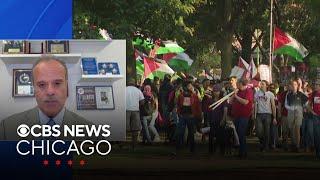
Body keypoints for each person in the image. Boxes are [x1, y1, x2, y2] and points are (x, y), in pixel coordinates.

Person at [0, 56, 91, 140]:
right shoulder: (6, 129)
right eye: (42, 84)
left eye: (57, 83)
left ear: (66, 85)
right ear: (34, 87)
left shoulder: (91, 132)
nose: (50, 92)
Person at [176, 81, 202, 153]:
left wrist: (197, 115)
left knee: (190, 133)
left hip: (190, 116)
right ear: (186, 87)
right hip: (183, 116)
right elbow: (178, 104)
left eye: (191, 86)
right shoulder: (181, 95)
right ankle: (180, 147)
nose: (191, 87)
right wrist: (179, 113)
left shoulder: (194, 95)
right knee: (181, 132)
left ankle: (191, 148)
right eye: (189, 86)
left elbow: (197, 106)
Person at [231, 78, 254, 158]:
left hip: (244, 116)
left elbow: (245, 102)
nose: (236, 84)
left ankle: (243, 152)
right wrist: (233, 96)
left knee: (241, 133)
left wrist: (236, 96)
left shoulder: (248, 91)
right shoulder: (238, 91)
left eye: (237, 83)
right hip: (236, 116)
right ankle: (240, 152)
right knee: (237, 134)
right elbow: (230, 102)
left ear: (241, 83)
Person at [285, 79, 308, 152]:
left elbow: (306, 102)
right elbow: (286, 104)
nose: (294, 86)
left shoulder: (301, 94)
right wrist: (291, 108)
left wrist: (303, 108)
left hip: (298, 112)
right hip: (291, 112)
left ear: (297, 86)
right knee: (291, 129)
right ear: (291, 86)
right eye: (292, 85)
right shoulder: (288, 94)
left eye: (295, 84)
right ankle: (293, 144)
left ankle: (297, 146)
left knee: (297, 129)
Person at [254, 80, 277, 152]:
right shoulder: (257, 93)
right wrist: (253, 114)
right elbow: (254, 104)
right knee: (259, 131)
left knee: (267, 131)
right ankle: (262, 142)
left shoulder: (270, 94)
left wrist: (274, 117)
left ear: (266, 85)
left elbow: (273, 106)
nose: (261, 85)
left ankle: (265, 146)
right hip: (259, 114)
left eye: (262, 84)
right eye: (260, 84)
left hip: (268, 114)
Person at [126, 78, 145, 150]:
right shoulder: (138, 91)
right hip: (135, 111)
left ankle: (121, 144)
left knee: (124, 128)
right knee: (135, 130)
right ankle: (134, 146)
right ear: (134, 83)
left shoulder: (124, 89)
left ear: (128, 83)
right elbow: (142, 102)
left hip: (126, 110)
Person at [308, 81, 320, 160]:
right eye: (315, 84)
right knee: (316, 134)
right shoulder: (313, 94)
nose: (315, 86)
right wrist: (312, 112)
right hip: (316, 117)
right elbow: (308, 105)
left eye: (316, 84)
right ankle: (317, 152)